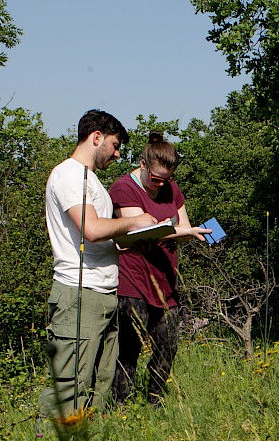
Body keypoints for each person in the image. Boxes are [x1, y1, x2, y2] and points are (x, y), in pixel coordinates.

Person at [40, 110, 157, 417]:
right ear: (96, 138)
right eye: (115, 145)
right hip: (79, 293)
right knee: (70, 384)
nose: (117, 154)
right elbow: (90, 229)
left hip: (104, 292)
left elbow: (104, 238)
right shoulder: (67, 174)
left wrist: (141, 234)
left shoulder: (91, 181)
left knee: (101, 382)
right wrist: (132, 223)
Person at [109, 131, 211, 403]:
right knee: (129, 348)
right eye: (155, 179)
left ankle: (154, 400)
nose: (161, 184)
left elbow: (182, 227)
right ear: (143, 164)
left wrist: (192, 235)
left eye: (167, 179)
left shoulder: (171, 189)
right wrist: (181, 231)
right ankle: (122, 407)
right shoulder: (123, 189)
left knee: (168, 345)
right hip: (133, 280)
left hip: (166, 279)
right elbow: (143, 230)